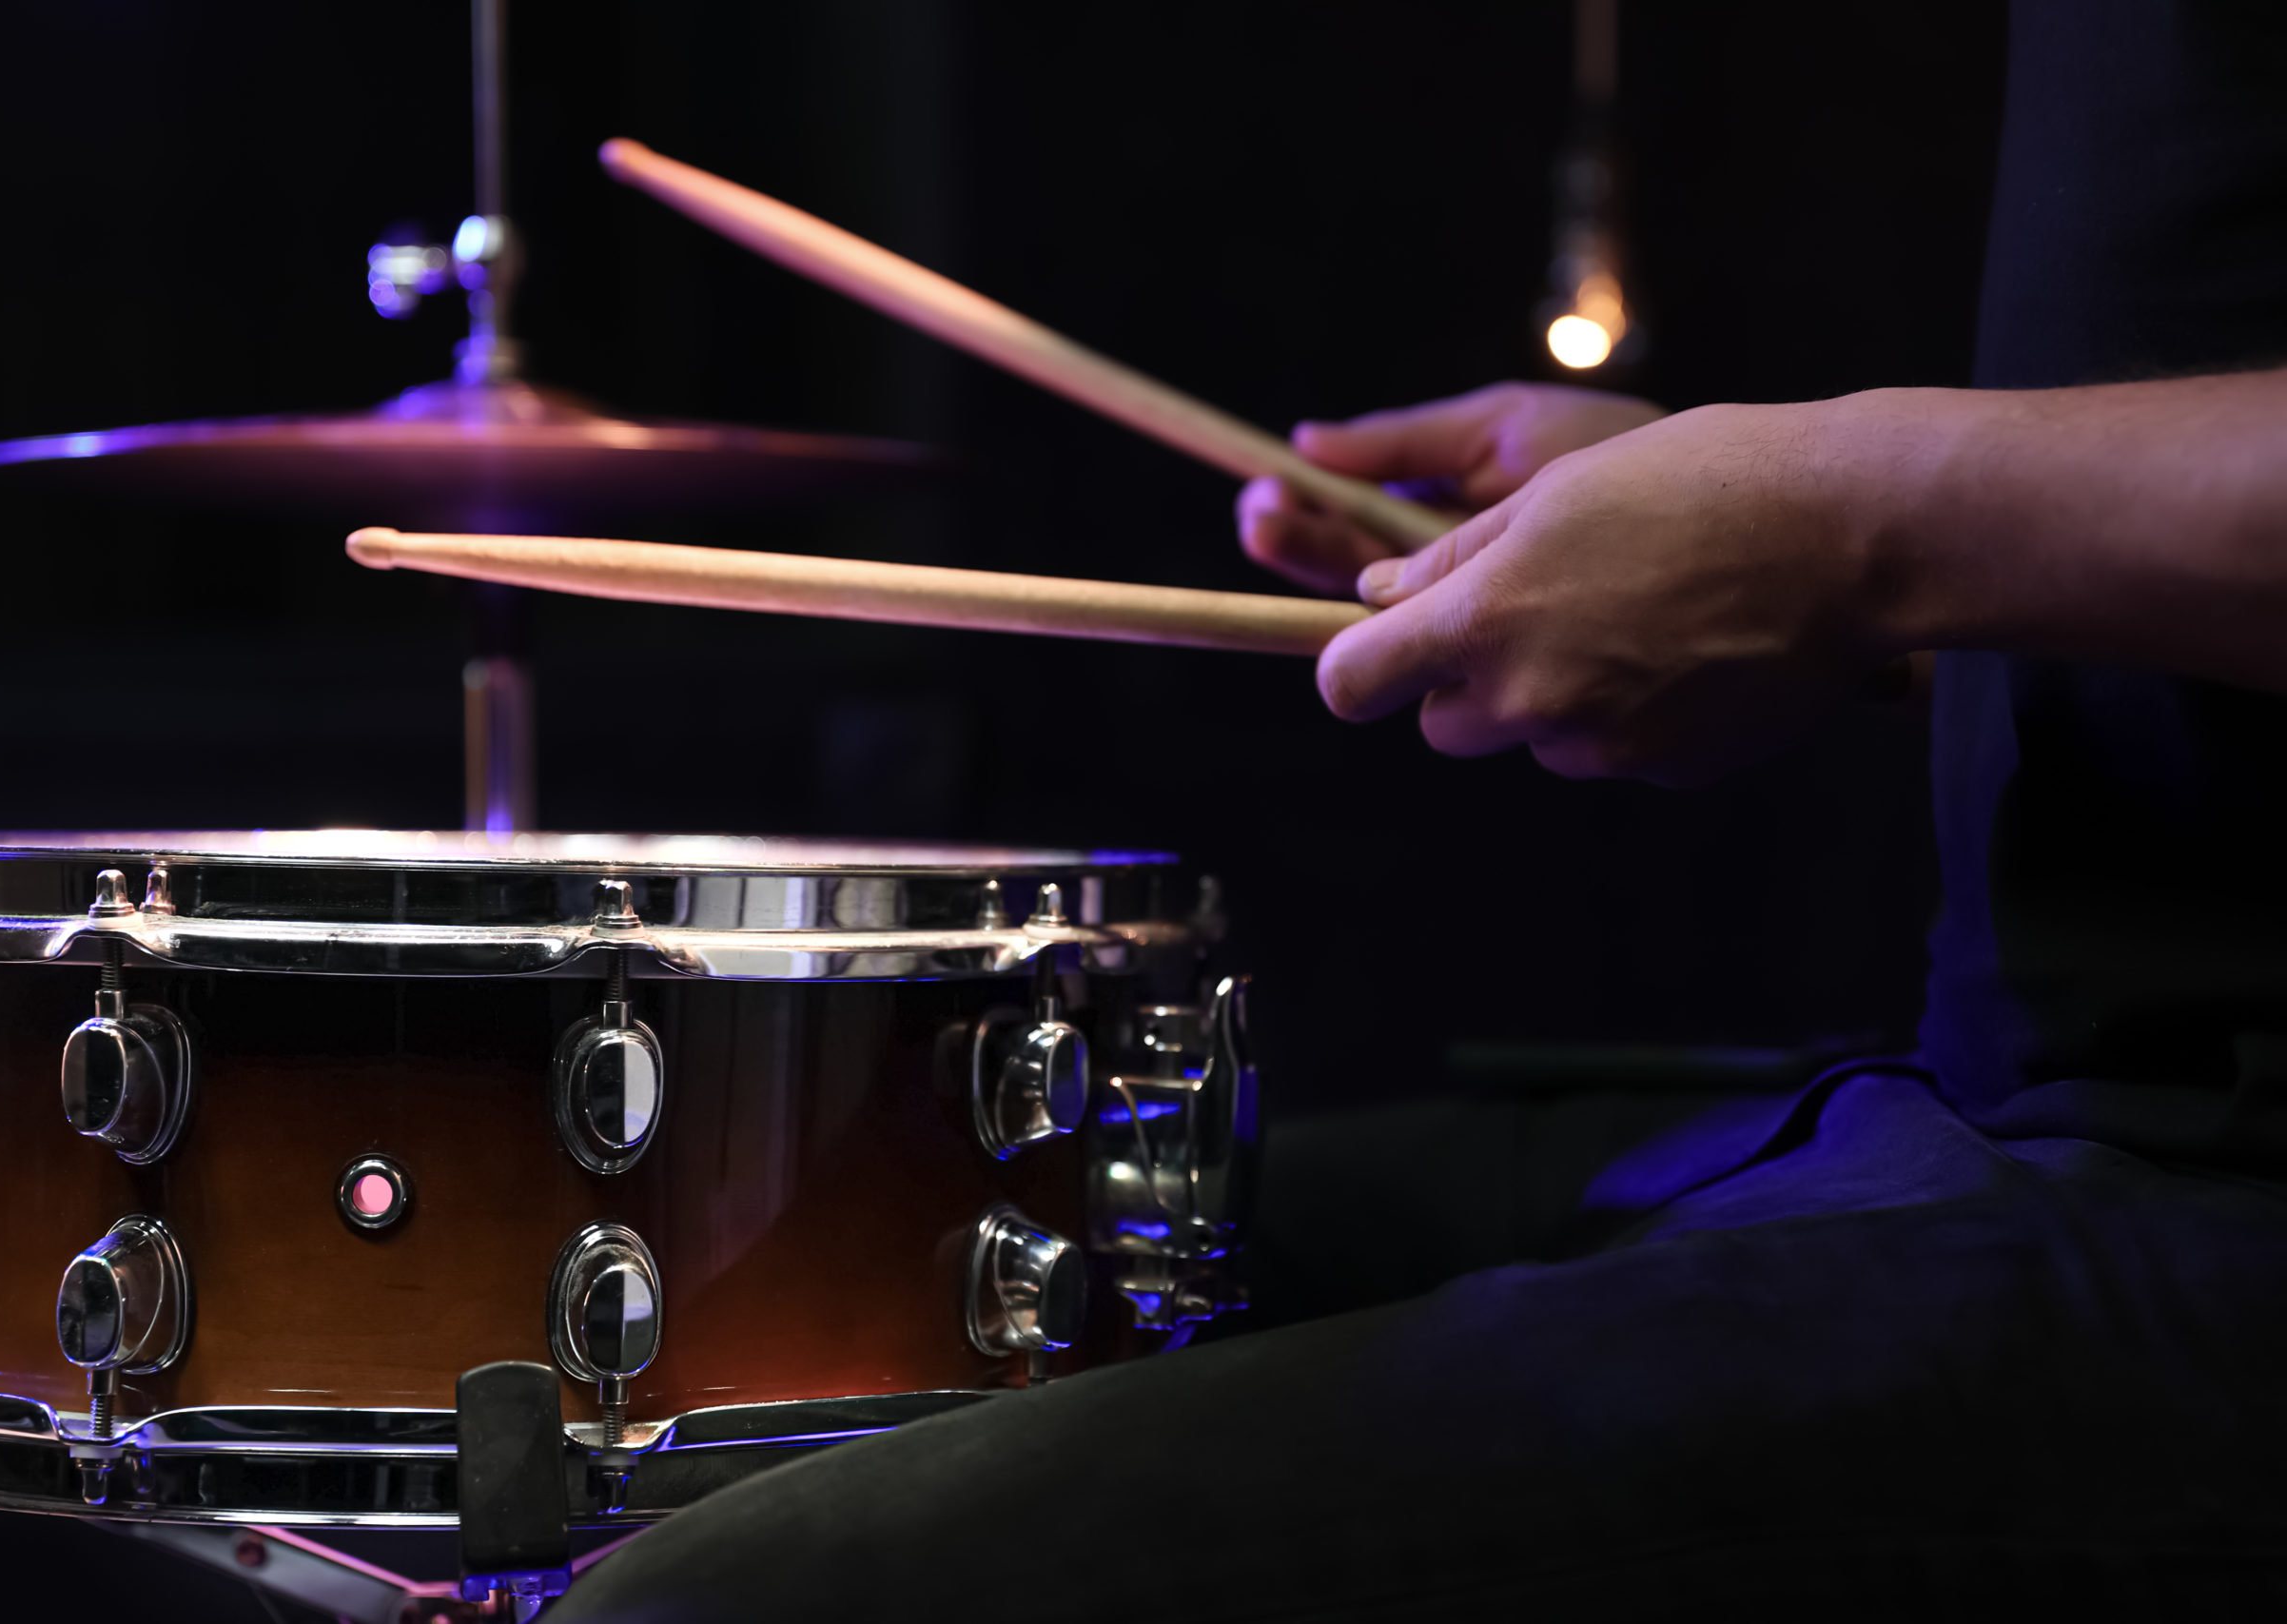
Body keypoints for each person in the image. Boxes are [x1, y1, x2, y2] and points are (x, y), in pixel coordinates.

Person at [554, 4, 2287, 1616]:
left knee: (730, 1591)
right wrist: (1812, 605)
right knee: (810, 1342)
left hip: (2218, 1199)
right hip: (2001, 1096)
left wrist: (1849, 524)